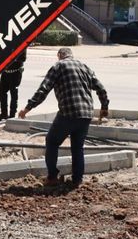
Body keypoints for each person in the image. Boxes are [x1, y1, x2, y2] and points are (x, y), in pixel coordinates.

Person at [18, 47, 108, 187]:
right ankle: (77, 180)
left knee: (52, 142)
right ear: (72, 55)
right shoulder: (84, 67)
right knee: (78, 147)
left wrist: (28, 108)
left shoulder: (58, 66)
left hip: (68, 112)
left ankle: (52, 177)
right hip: (86, 114)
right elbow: (101, 89)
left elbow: (44, 89)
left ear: (59, 55)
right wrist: (104, 108)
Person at [0, 48, 26, 122]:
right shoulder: (8, 43)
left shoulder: (21, 43)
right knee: (2, 92)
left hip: (16, 72)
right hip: (5, 72)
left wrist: (12, 57)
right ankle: (3, 113)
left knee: (13, 93)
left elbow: (23, 58)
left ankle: (12, 115)